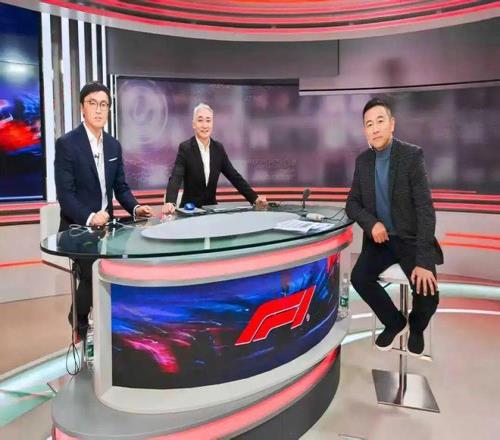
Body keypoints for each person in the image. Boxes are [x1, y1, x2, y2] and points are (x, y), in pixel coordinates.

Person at [346, 97, 443, 356]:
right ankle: (394, 322)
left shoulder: (411, 156)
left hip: (410, 239)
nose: (375, 128)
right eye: (369, 124)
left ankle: (416, 327)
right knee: (359, 278)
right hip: (381, 241)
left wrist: (424, 261)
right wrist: (371, 223)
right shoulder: (363, 161)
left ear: (392, 124)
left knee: (428, 294)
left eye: (380, 121)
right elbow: (352, 204)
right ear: (365, 130)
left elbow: (425, 208)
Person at [54, 81, 153, 337]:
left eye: (104, 104)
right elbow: (66, 196)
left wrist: (136, 208)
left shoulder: (113, 145)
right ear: (82, 108)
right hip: (77, 227)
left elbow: (121, 188)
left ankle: (117, 325)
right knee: (94, 267)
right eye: (93, 103)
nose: (99, 109)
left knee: (128, 259)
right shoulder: (67, 144)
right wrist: (90, 218)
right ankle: (79, 319)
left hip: (107, 228)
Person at [162, 103, 267, 214]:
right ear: (194, 124)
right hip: (189, 211)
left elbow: (234, 177)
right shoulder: (185, 148)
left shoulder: (218, 149)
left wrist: (254, 199)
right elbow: (176, 177)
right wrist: (170, 202)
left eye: (208, 120)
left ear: (212, 124)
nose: (204, 125)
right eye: (200, 120)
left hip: (211, 211)